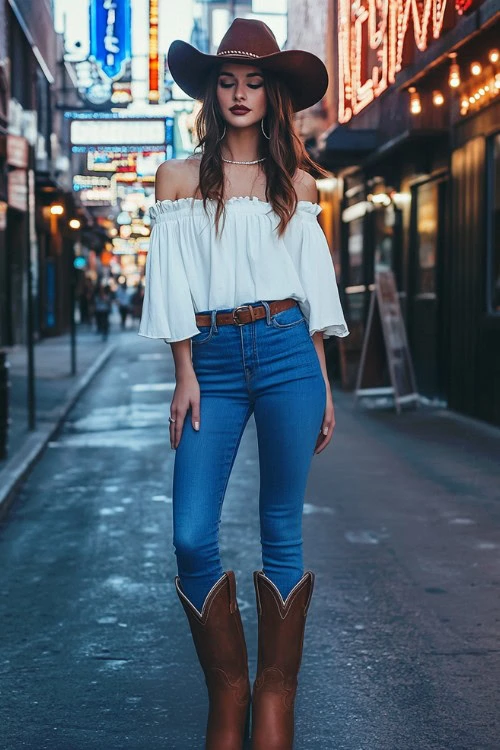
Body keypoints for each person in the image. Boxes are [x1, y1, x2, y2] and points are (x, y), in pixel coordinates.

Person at [138, 18, 349, 750]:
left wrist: (321, 382)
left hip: (289, 350)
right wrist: (184, 373)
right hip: (215, 362)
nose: (238, 93)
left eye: (254, 82)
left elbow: (313, 294)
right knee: (191, 535)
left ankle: (274, 703)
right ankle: (229, 689)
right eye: (226, 81)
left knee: (280, 531)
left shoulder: (296, 183)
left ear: (273, 95)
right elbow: (170, 285)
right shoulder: (177, 180)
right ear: (210, 92)